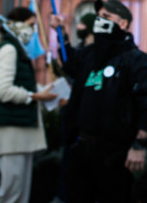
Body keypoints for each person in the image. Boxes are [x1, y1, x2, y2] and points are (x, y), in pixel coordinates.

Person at [50, 0, 147, 203]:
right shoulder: (89, 55)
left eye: (106, 17)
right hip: (82, 150)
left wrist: (140, 143)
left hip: (115, 156)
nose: (99, 21)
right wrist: (61, 34)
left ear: (122, 24)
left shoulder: (136, 59)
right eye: (98, 16)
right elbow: (71, 64)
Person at [0, 7, 58, 203]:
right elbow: (3, 90)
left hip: (19, 129)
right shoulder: (8, 49)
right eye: (31, 25)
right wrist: (34, 96)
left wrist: (43, 92)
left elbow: (20, 85)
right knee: (9, 192)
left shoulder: (17, 49)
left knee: (20, 194)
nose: (32, 31)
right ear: (17, 24)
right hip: (10, 129)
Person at [50, 11, 97, 203]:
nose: (78, 27)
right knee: (69, 166)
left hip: (86, 120)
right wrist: (60, 32)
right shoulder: (81, 50)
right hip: (73, 116)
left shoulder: (97, 53)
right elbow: (69, 62)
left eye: (82, 24)